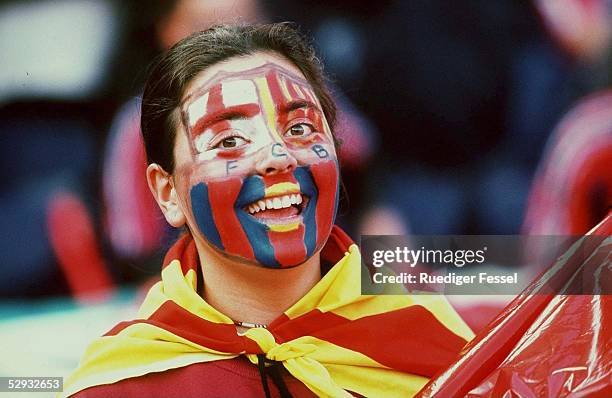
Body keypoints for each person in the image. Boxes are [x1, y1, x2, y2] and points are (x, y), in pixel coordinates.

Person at [62, 23, 473, 398]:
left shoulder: (439, 344)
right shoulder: (122, 386)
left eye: (299, 129)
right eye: (229, 140)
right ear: (167, 192)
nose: (278, 157)